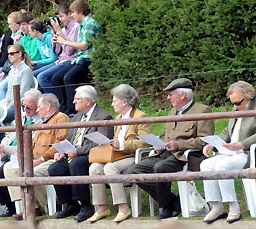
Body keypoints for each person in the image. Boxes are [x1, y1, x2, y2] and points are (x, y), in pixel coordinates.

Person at [126, 78, 214, 220]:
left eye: (170, 94)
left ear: (182, 95)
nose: (168, 98)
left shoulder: (203, 110)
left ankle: (166, 207)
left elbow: (205, 139)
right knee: (134, 171)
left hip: (185, 156)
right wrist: (158, 143)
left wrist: (179, 145)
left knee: (160, 168)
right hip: (166, 153)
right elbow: (165, 134)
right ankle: (172, 201)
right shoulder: (173, 111)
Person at [87, 84, 151, 223]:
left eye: (114, 101)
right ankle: (102, 208)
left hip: (133, 156)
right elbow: (117, 140)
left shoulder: (141, 116)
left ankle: (123, 208)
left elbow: (145, 143)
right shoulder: (118, 118)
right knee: (94, 167)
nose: (112, 104)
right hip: (118, 155)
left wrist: (122, 144)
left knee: (109, 168)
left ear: (125, 102)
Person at [49, 85, 114, 222]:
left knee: (77, 164)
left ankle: (85, 205)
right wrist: (61, 151)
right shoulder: (78, 117)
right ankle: (71, 205)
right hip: (73, 154)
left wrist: (77, 151)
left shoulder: (103, 116)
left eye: (77, 99)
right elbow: (70, 138)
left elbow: (101, 143)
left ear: (88, 101)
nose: (73, 102)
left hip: (90, 155)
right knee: (55, 168)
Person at [0, 89, 42, 217]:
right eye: (24, 106)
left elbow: (30, 147)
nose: (25, 109)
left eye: (29, 107)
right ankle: (8, 204)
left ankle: (14, 208)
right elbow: (9, 136)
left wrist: (5, 149)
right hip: (7, 157)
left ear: (38, 107)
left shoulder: (39, 121)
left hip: (21, 158)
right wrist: (3, 146)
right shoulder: (22, 117)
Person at [4, 93, 70, 220]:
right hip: (35, 160)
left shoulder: (61, 118)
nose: (37, 110)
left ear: (48, 105)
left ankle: (51, 204)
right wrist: (23, 155)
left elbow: (59, 144)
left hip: (51, 160)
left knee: (31, 173)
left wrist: (40, 160)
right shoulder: (42, 122)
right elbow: (32, 145)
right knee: (9, 168)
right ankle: (30, 207)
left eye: (39, 107)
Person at [200, 81, 256, 224]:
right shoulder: (237, 109)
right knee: (205, 165)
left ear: (249, 96)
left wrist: (241, 144)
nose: (234, 107)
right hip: (230, 152)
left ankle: (234, 207)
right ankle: (217, 206)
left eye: (237, 103)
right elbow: (227, 131)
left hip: (246, 152)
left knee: (222, 167)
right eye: (233, 103)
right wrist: (212, 144)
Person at [51, 0, 102, 115]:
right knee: (56, 78)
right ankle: (62, 110)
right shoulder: (82, 24)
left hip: (89, 58)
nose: (72, 16)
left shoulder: (89, 23)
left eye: (73, 13)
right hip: (80, 58)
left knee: (68, 78)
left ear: (79, 12)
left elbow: (85, 46)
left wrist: (64, 41)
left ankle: (72, 112)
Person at [35, 3, 79, 96]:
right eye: (58, 17)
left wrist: (59, 31)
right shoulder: (63, 30)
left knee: (42, 77)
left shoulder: (75, 27)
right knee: (35, 75)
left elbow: (69, 51)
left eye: (61, 16)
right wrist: (53, 31)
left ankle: (57, 103)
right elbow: (57, 51)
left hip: (70, 60)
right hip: (60, 60)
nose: (60, 19)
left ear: (69, 14)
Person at [0, 44, 34, 124]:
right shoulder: (11, 70)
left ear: (19, 54)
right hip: (10, 104)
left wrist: (9, 106)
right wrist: (4, 105)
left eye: (12, 53)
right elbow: (9, 91)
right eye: (8, 54)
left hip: (20, 106)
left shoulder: (26, 70)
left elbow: (23, 93)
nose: (9, 56)